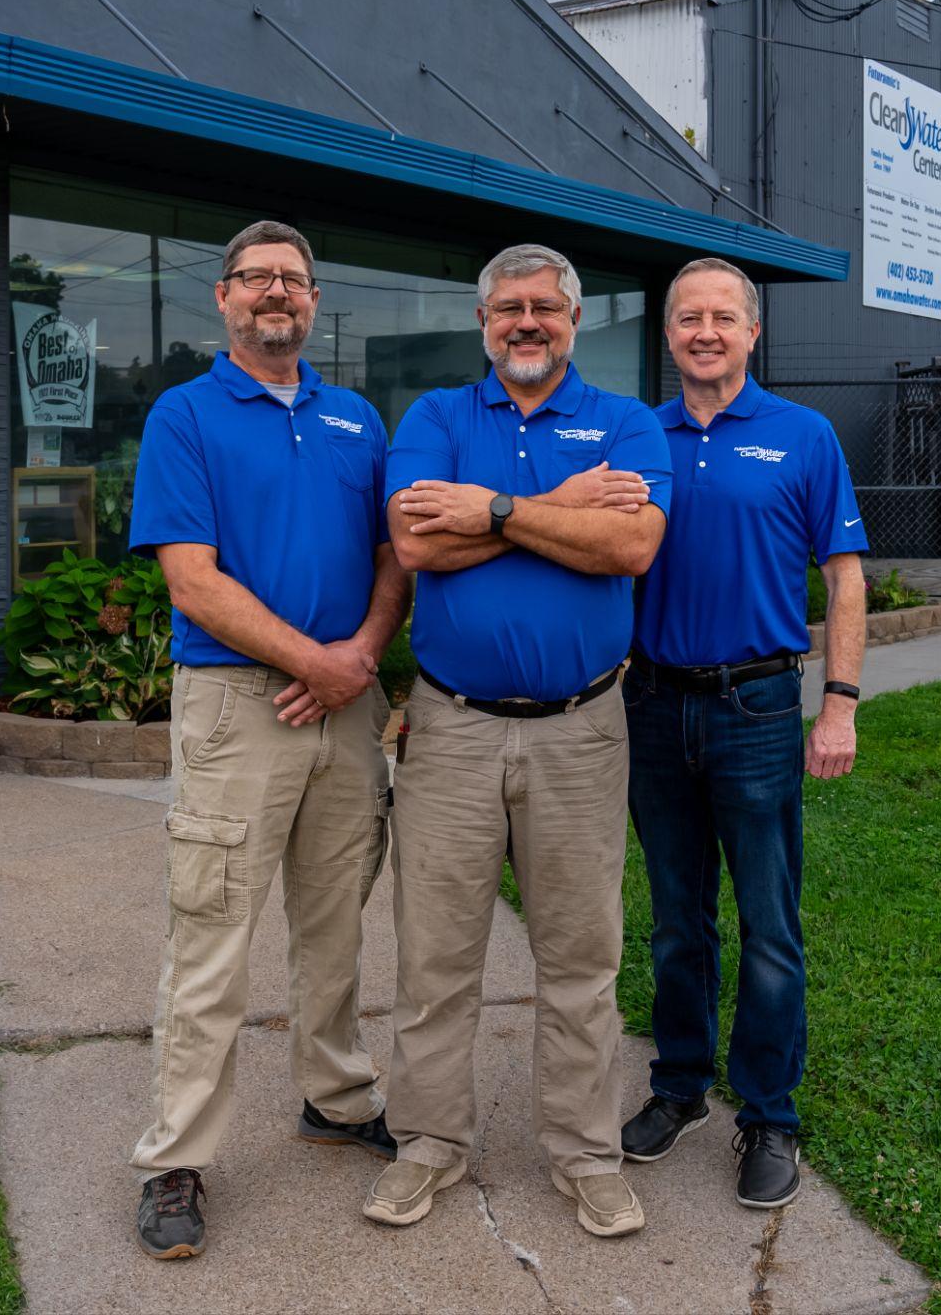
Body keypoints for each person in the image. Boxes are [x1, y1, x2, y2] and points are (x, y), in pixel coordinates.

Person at [364, 244, 670, 1238]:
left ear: (574, 319)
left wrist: (490, 508)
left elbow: (629, 545)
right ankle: (428, 1145)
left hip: (582, 731)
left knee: (581, 959)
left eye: (544, 306)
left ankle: (583, 1154)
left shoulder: (625, 423)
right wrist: (564, 507)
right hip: (450, 730)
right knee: (433, 957)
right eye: (507, 308)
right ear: (483, 323)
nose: (525, 322)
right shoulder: (436, 418)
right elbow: (415, 544)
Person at [124, 220, 410, 1260]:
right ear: (224, 299)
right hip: (238, 706)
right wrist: (314, 662)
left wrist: (361, 655)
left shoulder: (355, 423)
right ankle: (175, 1157)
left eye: (291, 280)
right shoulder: (184, 415)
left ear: (314, 302)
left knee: (334, 925)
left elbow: (395, 556)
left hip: (345, 702)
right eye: (256, 280)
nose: (274, 294)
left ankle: (334, 1097)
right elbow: (191, 578)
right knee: (212, 937)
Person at [617, 257, 867, 1209]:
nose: (706, 332)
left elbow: (844, 577)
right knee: (678, 921)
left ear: (753, 333)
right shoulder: (638, 435)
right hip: (652, 705)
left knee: (769, 926)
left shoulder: (803, 437)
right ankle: (680, 1088)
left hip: (759, 708)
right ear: (669, 334)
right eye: (689, 318)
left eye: (724, 317)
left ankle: (769, 1112)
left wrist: (838, 702)